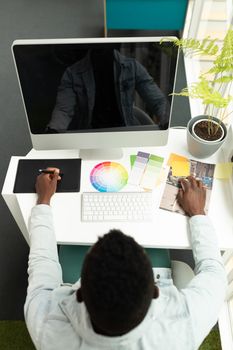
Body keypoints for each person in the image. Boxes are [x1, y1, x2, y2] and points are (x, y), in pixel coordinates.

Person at [24, 168, 227, 350]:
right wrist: (198, 212)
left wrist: (43, 201)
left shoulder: (45, 327)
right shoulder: (186, 327)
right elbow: (213, 272)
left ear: (79, 294)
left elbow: (42, 262)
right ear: (155, 290)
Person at [47, 48, 169, 132]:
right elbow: (63, 110)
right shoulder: (73, 73)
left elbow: (157, 101)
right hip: (89, 135)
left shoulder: (131, 67)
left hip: (127, 134)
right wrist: (53, 132)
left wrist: (167, 121)